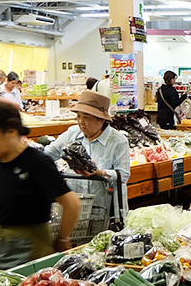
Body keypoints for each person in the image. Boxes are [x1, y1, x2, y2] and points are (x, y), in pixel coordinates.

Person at [0, 103, 80, 269]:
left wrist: (62, 239)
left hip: (33, 259)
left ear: (11, 131)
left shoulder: (37, 163)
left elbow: (72, 203)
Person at [44, 90, 132, 228]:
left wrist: (100, 173)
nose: (81, 122)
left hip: (104, 209)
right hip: (76, 207)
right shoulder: (72, 133)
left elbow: (124, 174)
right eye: (78, 116)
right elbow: (48, 154)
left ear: (101, 120)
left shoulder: (118, 141)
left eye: (86, 117)